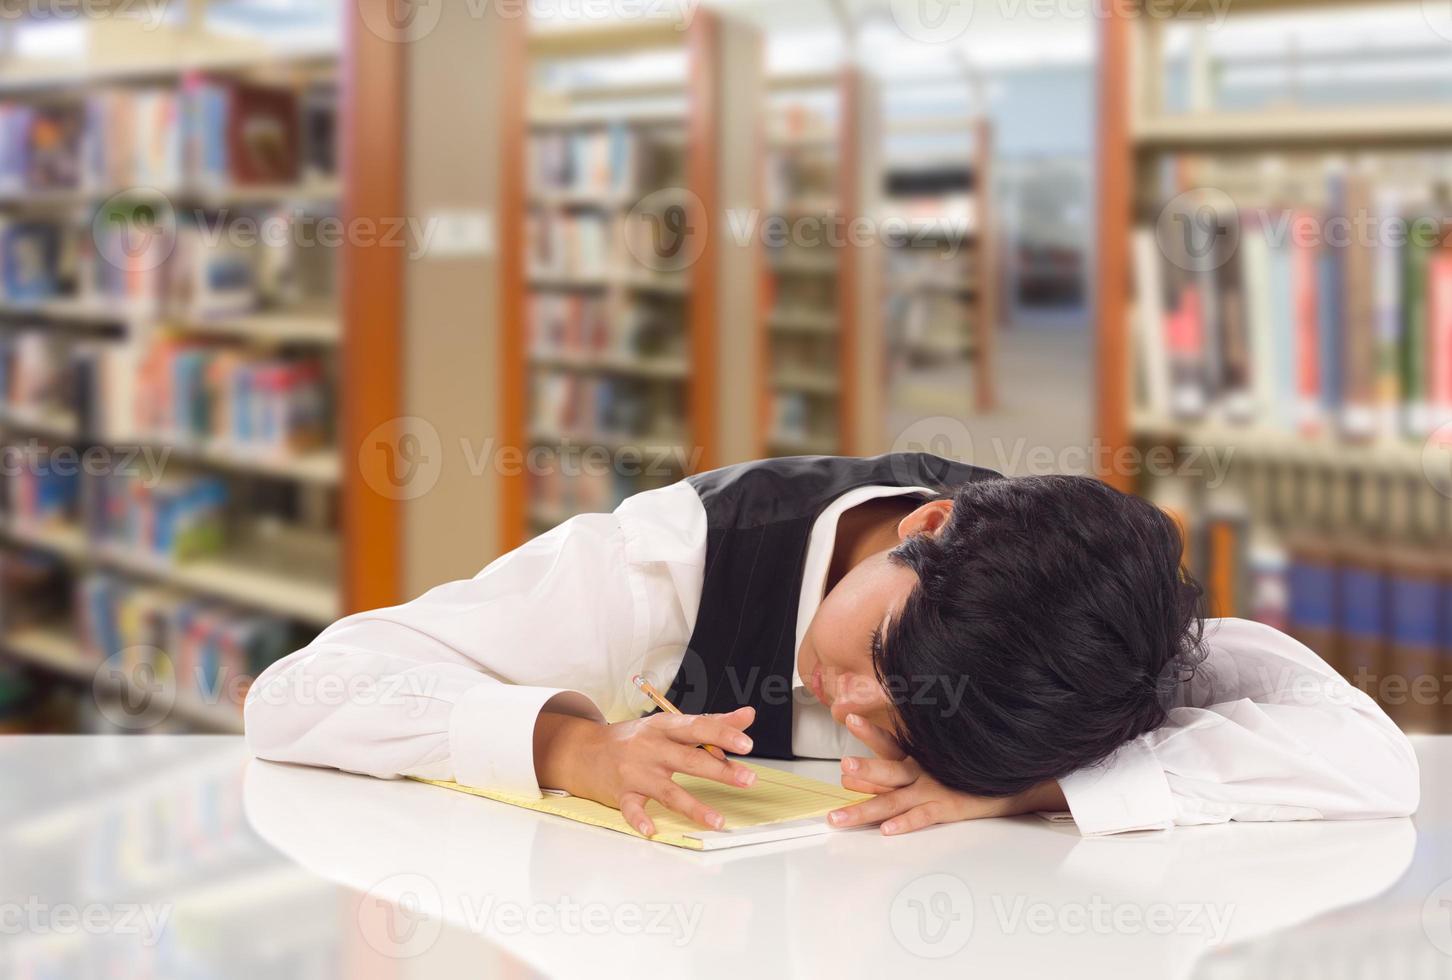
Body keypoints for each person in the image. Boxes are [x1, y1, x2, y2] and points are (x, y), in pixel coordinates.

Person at [244, 453, 1419, 838]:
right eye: (869, 660)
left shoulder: (1098, 618)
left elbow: (1373, 762)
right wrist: (573, 746)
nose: (848, 707)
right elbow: (301, 689)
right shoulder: (679, 555)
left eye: (904, 725)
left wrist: (1027, 783)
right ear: (927, 527)